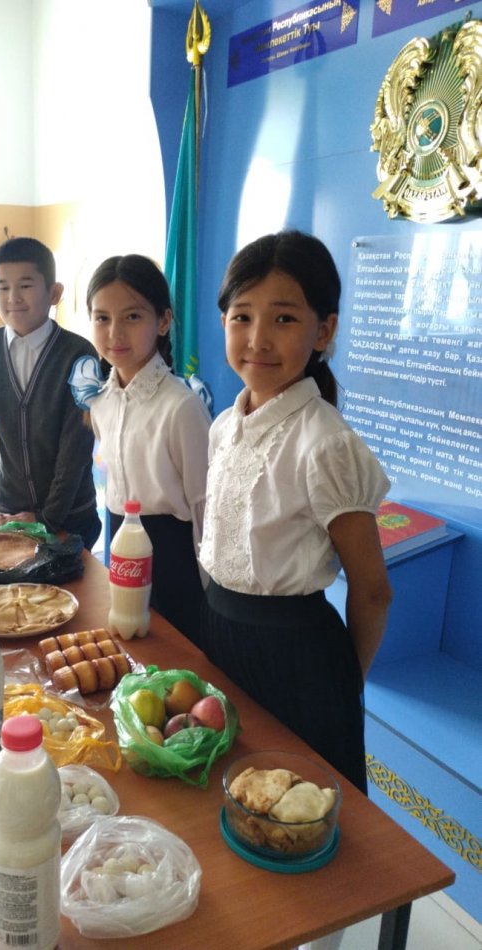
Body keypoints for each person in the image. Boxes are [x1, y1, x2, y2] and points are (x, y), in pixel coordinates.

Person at [199, 230, 393, 794]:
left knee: (297, 811)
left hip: (297, 661)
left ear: (324, 331)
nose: (258, 339)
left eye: (284, 319)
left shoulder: (325, 443)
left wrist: (342, 682)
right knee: (226, 800)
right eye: (242, 317)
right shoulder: (224, 427)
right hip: (219, 635)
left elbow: (373, 590)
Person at [70, 254, 211, 644]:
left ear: (163, 321)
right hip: (121, 545)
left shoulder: (181, 407)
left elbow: (206, 508)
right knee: (130, 652)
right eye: (102, 318)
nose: (115, 333)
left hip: (174, 560)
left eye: (132, 317)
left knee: (175, 658)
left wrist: (212, 598)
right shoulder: (101, 401)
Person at [0, 236, 101, 549]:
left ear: (54, 293)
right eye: (3, 287)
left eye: (25, 285)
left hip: (71, 515)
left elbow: (76, 445)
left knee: (75, 579)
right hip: (8, 513)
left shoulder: (80, 354)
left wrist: (46, 518)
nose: (13, 298)